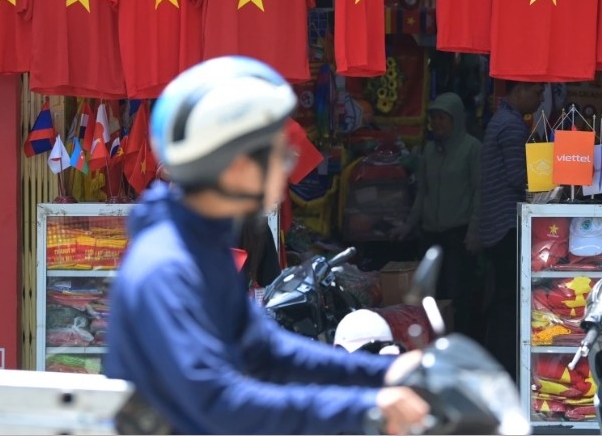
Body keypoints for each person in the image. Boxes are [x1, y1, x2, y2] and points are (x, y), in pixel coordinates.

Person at [105, 56, 429, 435]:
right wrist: (365, 409)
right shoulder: (166, 267)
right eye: (277, 155)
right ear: (234, 165)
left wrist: (386, 372)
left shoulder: (201, 248)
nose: (287, 168)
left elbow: (265, 351)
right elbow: (215, 401)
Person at [388, 92, 481, 338]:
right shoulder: (429, 150)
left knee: (457, 294)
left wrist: (474, 232)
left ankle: (459, 342)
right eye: (434, 118)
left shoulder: (472, 149)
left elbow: (479, 193)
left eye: (443, 118)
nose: (437, 123)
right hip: (430, 234)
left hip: (458, 235)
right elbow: (422, 194)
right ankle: (434, 342)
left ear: (457, 120)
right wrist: (408, 226)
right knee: (430, 295)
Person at [478, 79, 546, 382]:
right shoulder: (513, 126)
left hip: (494, 224)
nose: (540, 98)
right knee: (510, 300)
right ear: (519, 89)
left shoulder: (500, 119)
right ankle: (508, 367)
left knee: (502, 298)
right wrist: (553, 172)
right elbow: (519, 178)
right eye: (536, 91)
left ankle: (500, 362)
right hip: (507, 224)